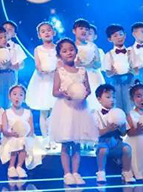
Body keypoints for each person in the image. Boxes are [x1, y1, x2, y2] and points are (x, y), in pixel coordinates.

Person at [49, 38, 98, 186]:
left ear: (76, 52)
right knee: (66, 143)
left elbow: (88, 89)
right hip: (65, 109)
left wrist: (84, 94)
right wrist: (64, 93)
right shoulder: (60, 72)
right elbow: (55, 92)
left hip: (80, 109)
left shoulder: (82, 71)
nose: (69, 53)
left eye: (71, 50)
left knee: (77, 144)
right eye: (64, 51)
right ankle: (67, 173)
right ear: (59, 55)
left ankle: (76, 172)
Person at [0, 84, 43, 178]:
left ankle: (19, 166)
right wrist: (11, 133)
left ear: (24, 98)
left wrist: (25, 136)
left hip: (25, 137)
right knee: (15, 142)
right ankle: (11, 167)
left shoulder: (28, 112)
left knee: (23, 142)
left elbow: (31, 129)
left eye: (21, 95)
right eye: (14, 94)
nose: (17, 97)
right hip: (10, 137)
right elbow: (4, 130)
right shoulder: (6, 112)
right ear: (9, 96)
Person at [94, 84, 135, 184]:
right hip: (103, 141)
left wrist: (122, 127)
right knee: (103, 150)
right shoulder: (95, 114)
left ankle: (126, 171)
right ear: (99, 99)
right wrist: (107, 129)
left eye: (114, 97)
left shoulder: (119, 113)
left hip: (116, 141)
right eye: (108, 97)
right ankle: (101, 172)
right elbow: (95, 133)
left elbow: (123, 133)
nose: (112, 100)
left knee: (127, 148)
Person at [25, 21, 58, 148]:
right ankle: (45, 139)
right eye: (43, 31)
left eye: (49, 30)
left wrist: (55, 71)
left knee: (55, 112)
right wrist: (42, 71)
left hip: (55, 81)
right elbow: (37, 64)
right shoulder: (38, 49)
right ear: (39, 35)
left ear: (53, 32)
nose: (46, 33)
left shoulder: (58, 48)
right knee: (44, 111)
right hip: (42, 82)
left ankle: (54, 138)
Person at [72, 18, 104, 110]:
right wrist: (77, 64)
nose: (84, 31)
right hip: (77, 77)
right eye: (81, 28)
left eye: (86, 29)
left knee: (95, 103)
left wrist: (91, 64)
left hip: (94, 77)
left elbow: (98, 64)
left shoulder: (93, 46)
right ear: (74, 31)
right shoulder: (71, 46)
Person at [104, 24, 134, 113]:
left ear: (125, 35)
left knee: (130, 104)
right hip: (116, 83)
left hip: (129, 81)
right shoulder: (109, 54)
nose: (119, 37)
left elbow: (137, 70)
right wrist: (112, 72)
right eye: (115, 35)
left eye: (121, 34)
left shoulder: (131, 52)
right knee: (118, 105)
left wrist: (133, 71)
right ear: (109, 39)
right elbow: (108, 73)